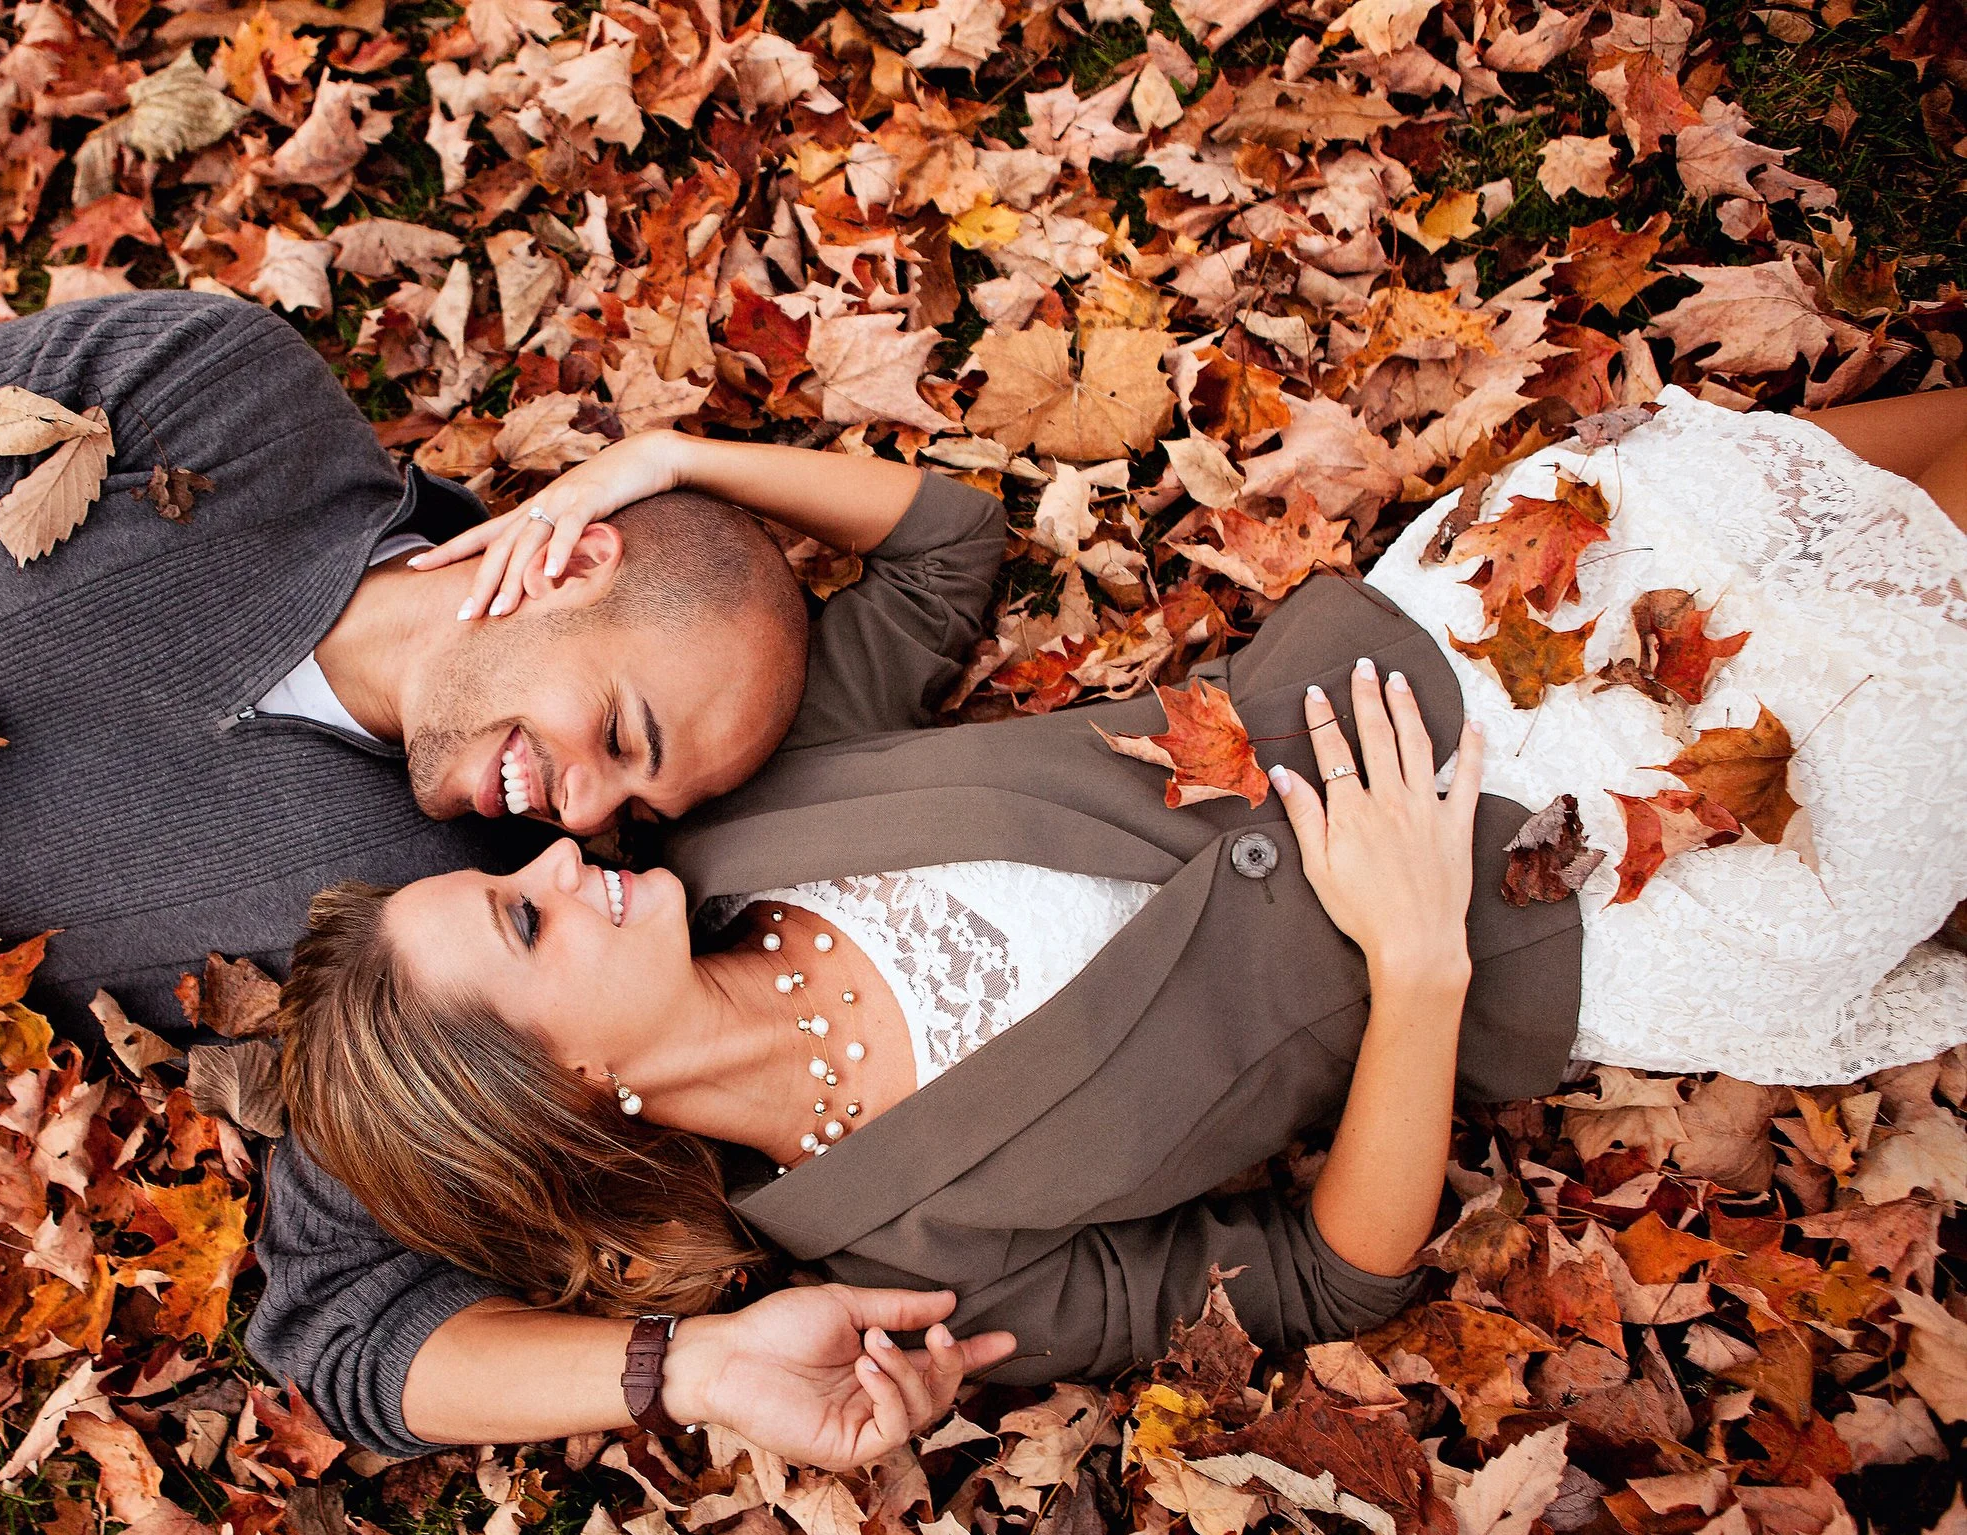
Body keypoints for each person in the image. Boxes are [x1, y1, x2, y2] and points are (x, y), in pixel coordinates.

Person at [0, 290, 1036, 1458]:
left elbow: (350, 1329)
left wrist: (680, 1370)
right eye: (616, 730)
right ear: (567, 555)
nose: (588, 813)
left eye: (641, 801)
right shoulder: (241, 409)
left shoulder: (435, 932)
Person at [264, 383, 1967, 1458]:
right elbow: (1326, 1278)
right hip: (1579, 908)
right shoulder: (914, 1264)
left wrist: (665, 461)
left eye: (519, 866)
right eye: (525, 918)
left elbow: (947, 549)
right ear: (571, 1098)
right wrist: (1419, 973)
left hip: (1457, 621)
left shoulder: (739, 819)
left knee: (1881, 482)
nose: (566, 859)